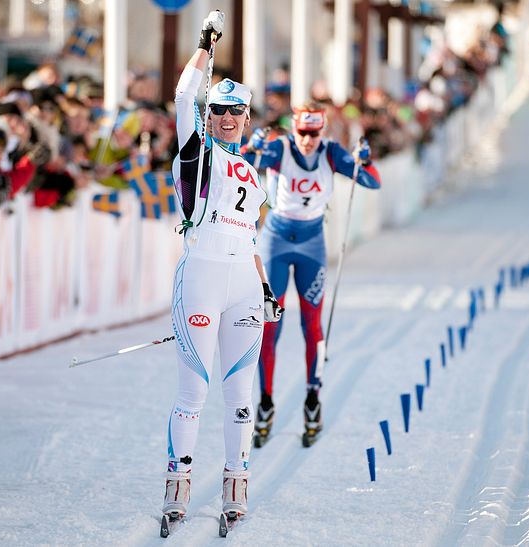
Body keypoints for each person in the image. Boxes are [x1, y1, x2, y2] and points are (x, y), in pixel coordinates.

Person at [161, 9, 283, 529]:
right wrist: (204, 47)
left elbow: (250, 237)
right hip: (203, 281)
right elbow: (184, 96)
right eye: (220, 112)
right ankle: (177, 487)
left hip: (243, 287)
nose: (227, 119)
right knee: (195, 393)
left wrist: (266, 286)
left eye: (236, 112)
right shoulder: (196, 152)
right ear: (210, 117)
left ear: (248, 118)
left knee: (240, 395)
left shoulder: (253, 173)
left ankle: (236, 485)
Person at [243, 103, 381, 446]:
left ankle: (312, 399)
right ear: (294, 129)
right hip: (275, 240)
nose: (306, 140)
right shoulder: (281, 147)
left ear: (322, 131)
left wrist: (366, 159)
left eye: (313, 133)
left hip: (311, 244)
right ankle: (266, 401)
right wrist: (253, 146)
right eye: (302, 132)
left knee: (313, 324)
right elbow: (242, 166)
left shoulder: (331, 153)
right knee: (270, 323)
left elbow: (371, 182)